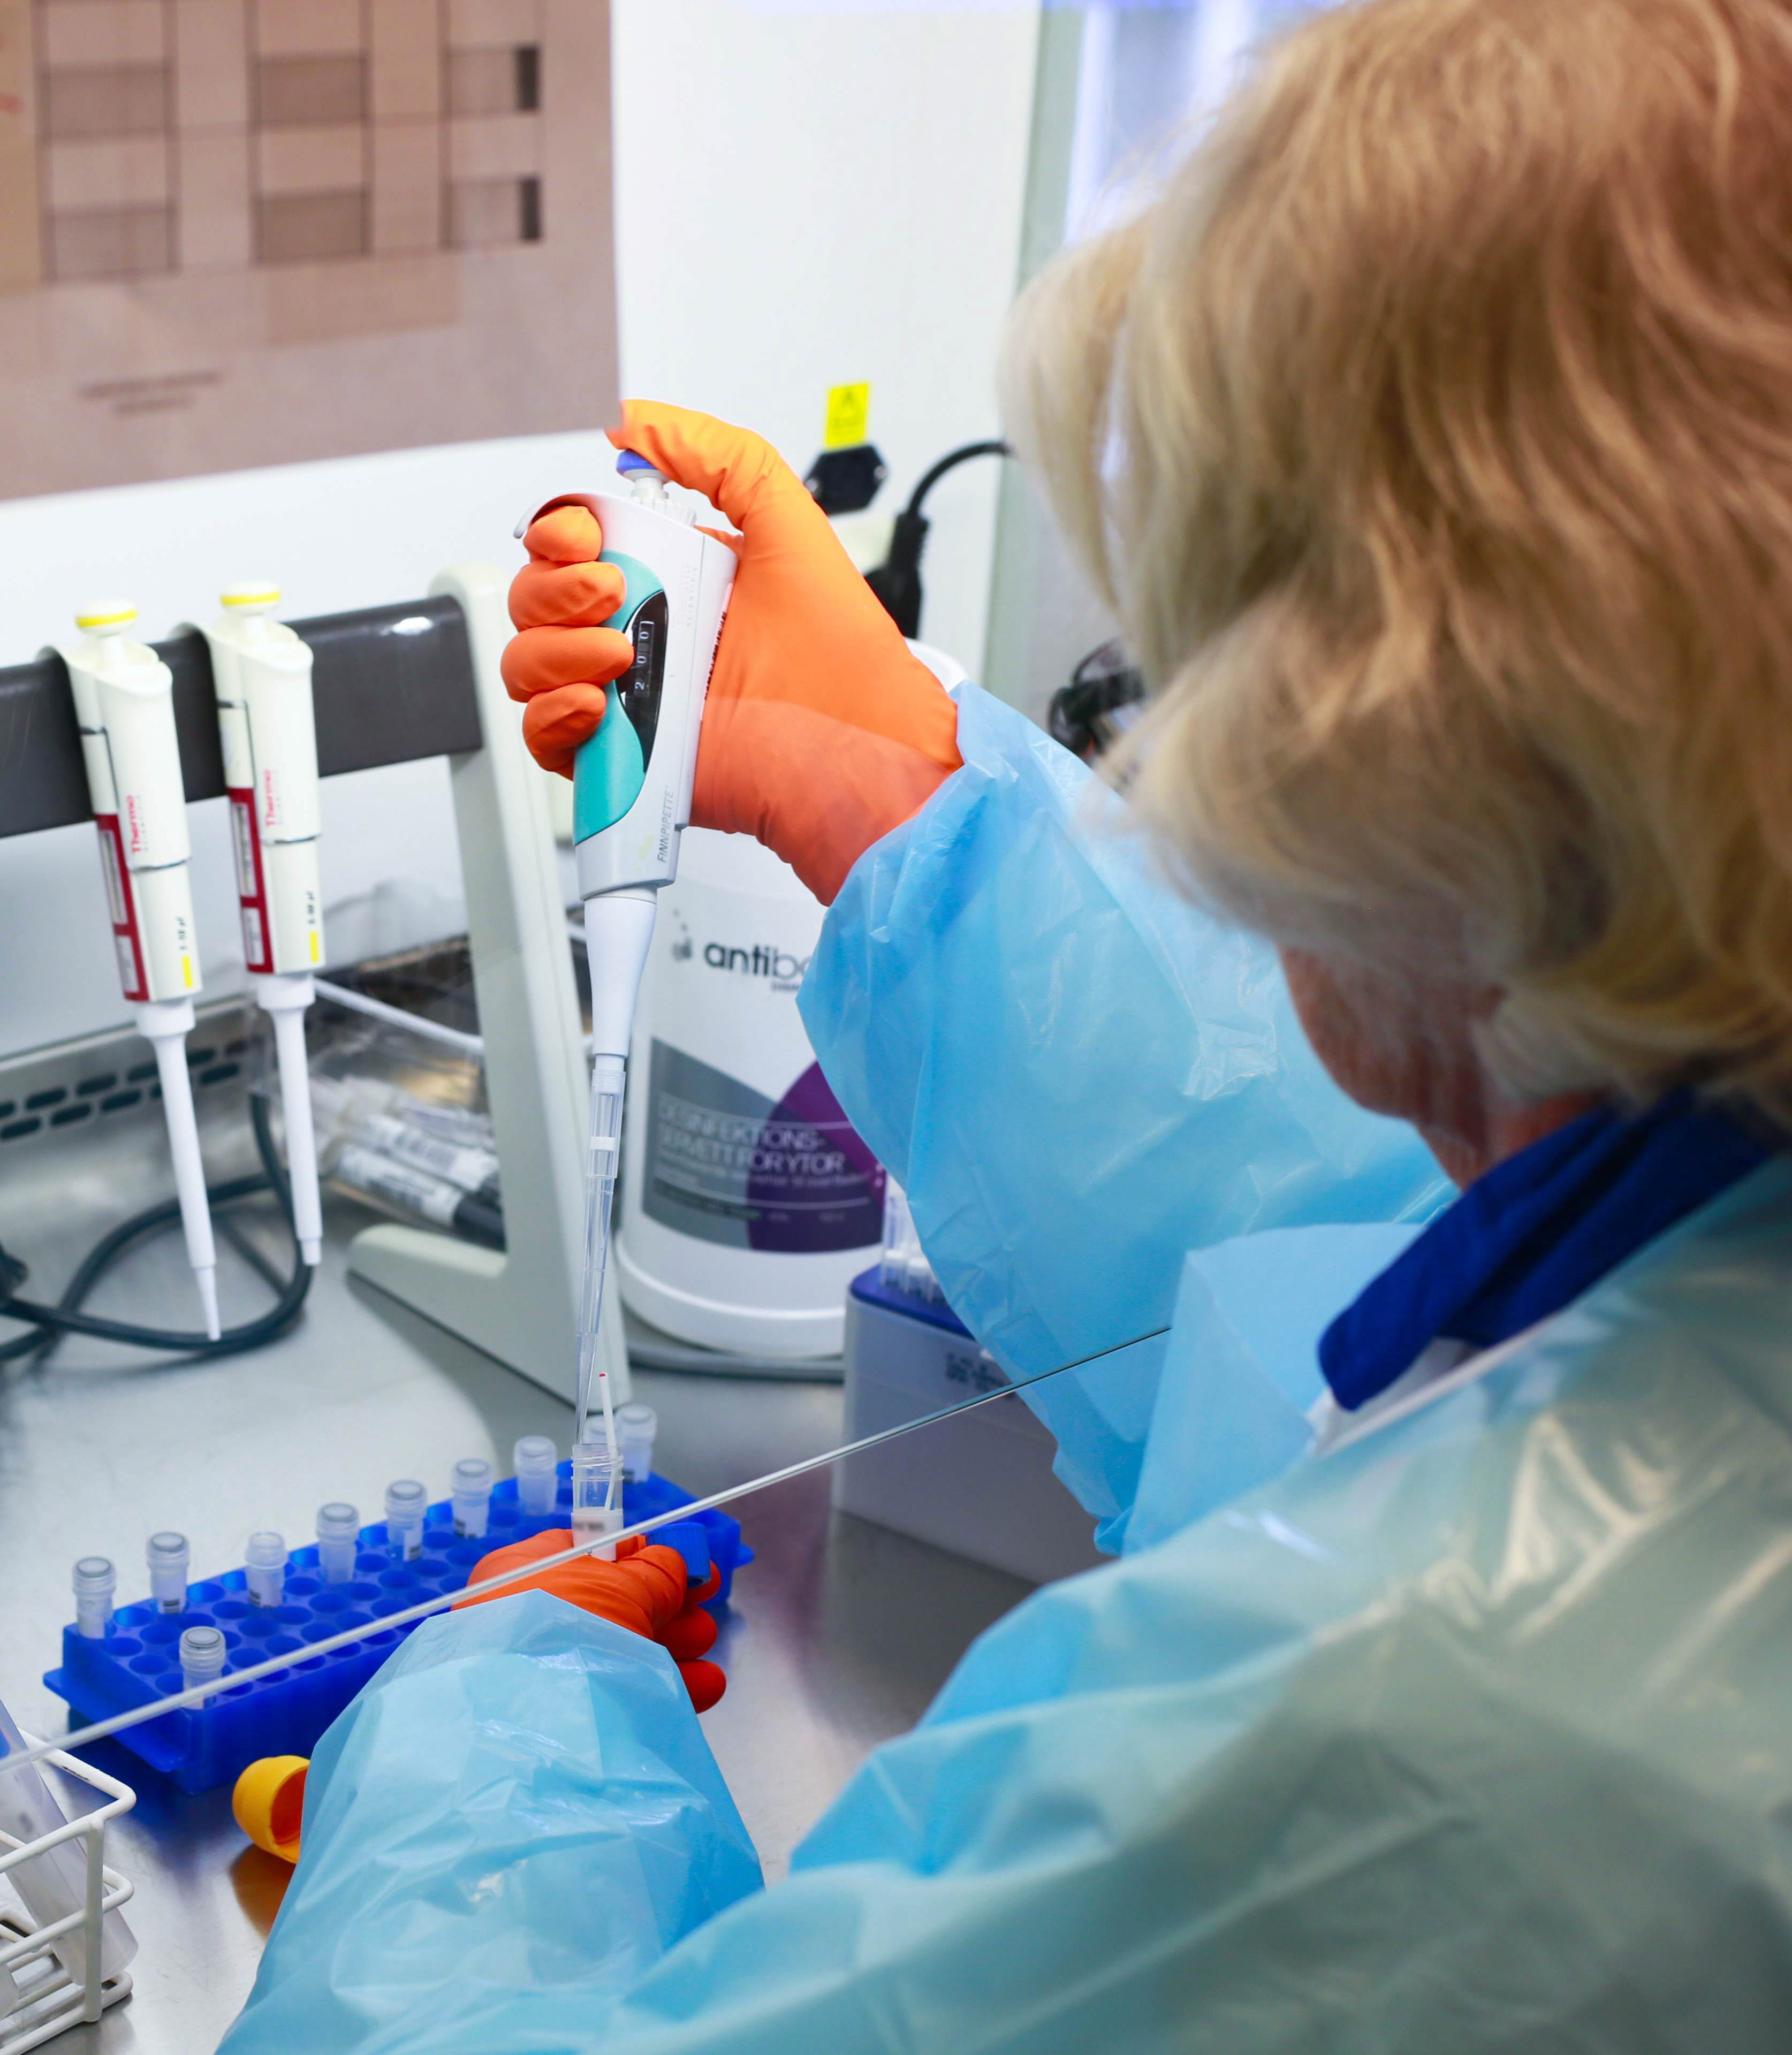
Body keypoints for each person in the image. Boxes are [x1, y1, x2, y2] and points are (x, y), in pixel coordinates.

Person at [220, 0, 1792, 2046]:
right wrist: (886, 807)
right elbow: (1322, 1231)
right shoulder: (1701, 1208)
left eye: (1186, 660)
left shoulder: (1459, 1715)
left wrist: (496, 1743)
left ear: (1420, 767)